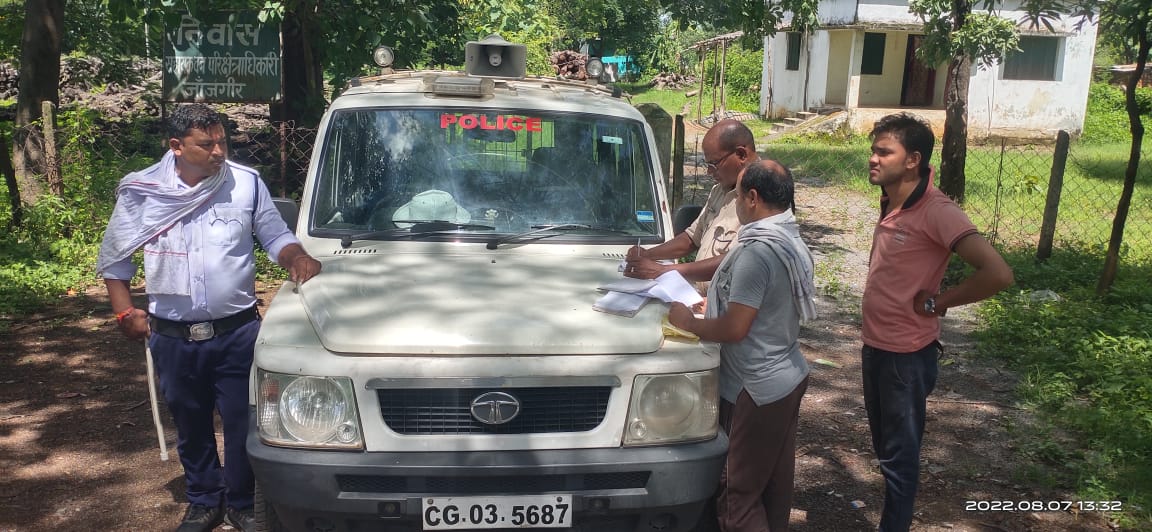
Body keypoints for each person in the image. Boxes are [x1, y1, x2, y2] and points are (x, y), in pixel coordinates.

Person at [96, 104, 322, 532]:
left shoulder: (245, 184)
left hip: (236, 331)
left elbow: (274, 234)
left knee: (242, 419)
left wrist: (296, 257)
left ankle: (240, 501)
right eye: (207, 144)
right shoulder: (142, 190)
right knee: (189, 418)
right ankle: (203, 501)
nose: (219, 151)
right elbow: (117, 257)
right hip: (172, 335)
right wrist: (123, 310)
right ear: (176, 146)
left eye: (222, 141)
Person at [861, 113, 1013, 531]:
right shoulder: (894, 197)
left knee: (899, 457)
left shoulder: (937, 210)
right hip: (876, 345)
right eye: (873, 150)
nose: (872, 158)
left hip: (905, 356)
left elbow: (998, 273)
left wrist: (941, 302)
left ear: (912, 159)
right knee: (886, 448)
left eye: (882, 152)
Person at [668, 160, 817, 532]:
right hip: (787, 375)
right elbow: (765, 306)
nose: (734, 203)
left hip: (756, 386)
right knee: (774, 485)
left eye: (738, 196)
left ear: (752, 197)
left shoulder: (756, 251)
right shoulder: (790, 238)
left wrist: (691, 323)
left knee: (737, 493)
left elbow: (736, 329)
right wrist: (714, 304)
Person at [624, 118, 761, 292]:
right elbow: (692, 238)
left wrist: (664, 271)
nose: (709, 171)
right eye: (707, 164)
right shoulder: (720, 190)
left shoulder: (763, 196)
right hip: (704, 300)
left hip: (733, 307)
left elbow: (738, 259)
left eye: (714, 164)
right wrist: (648, 254)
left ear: (741, 155)